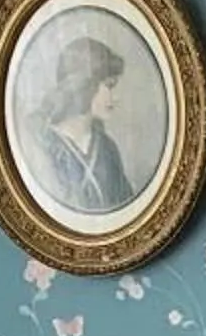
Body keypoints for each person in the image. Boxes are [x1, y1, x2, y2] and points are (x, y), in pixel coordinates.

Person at [22, 32, 143, 212]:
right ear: (85, 85)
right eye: (109, 86)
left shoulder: (108, 148)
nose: (115, 97)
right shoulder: (41, 146)